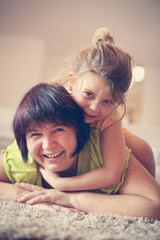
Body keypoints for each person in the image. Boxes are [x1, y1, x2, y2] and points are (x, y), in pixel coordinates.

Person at [0, 82, 160, 219]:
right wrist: (28, 197)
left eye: (58, 130)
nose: (47, 145)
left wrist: (71, 199)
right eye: (35, 134)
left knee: (142, 150)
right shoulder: (23, 157)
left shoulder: (102, 152)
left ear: (78, 130)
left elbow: (155, 206)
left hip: (110, 136)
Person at [43, 27, 155, 192]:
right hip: (74, 141)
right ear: (72, 83)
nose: (95, 108)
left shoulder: (110, 116)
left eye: (108, 101)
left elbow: (112, 173)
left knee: (143, 150)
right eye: (88, 94)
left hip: (104, 132)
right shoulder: (57, 98)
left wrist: (62, 184)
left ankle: (139, 190)